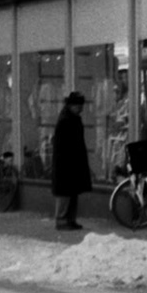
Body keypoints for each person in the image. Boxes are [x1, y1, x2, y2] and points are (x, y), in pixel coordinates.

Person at [49, 91, 92, 231]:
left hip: (72, 162)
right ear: (71, 105)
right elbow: (62, 145)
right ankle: (62, 220)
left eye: (81, 106)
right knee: (65, 194)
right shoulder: (66, 120)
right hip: (66, 163)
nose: (80, 108)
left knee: (72, 193)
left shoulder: (71, 118)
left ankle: (70, 219)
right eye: (78, 106)